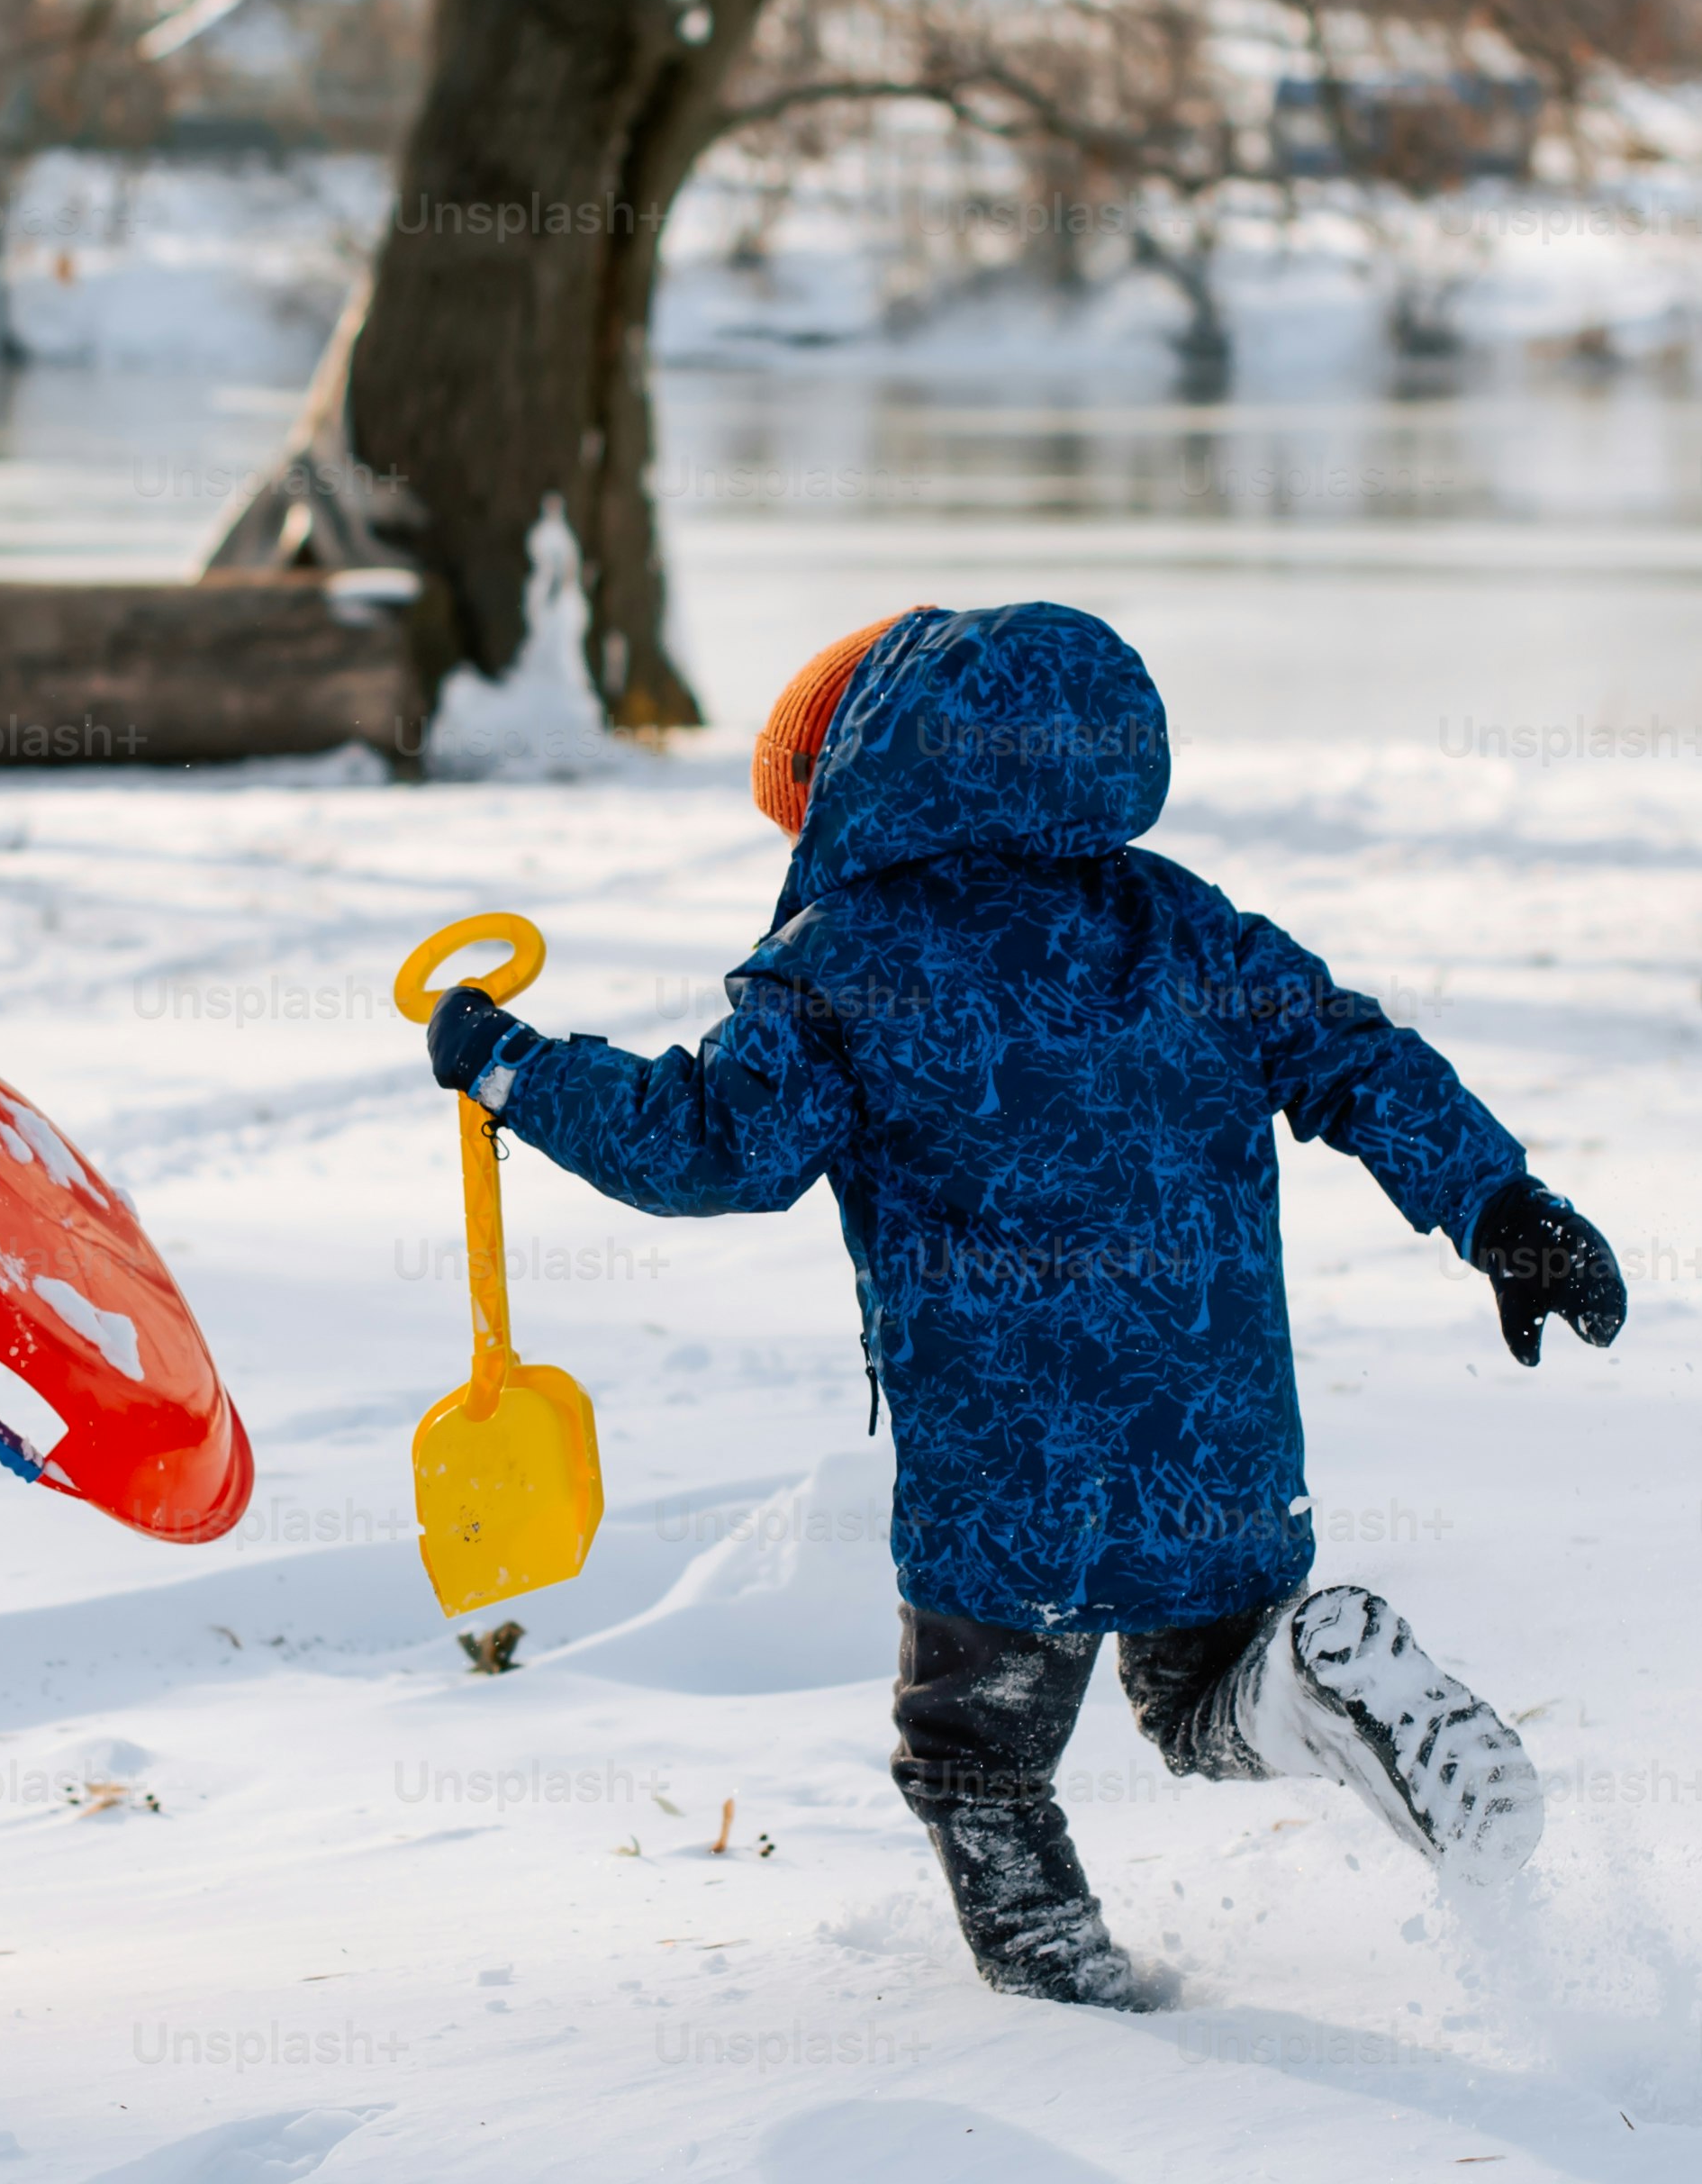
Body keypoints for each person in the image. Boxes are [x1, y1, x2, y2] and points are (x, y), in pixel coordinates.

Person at [414, 603, 1626, 2001]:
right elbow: (1357, 1058)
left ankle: (1070, 2002)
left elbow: (708, 1146)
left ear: (872, 777)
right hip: (1212, 1439)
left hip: (1006, 1482)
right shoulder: (1178, 918)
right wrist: (1500, 1207)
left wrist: (512, 1069)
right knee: (1202, 1702)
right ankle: (1305, 1676)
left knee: (973, 1761)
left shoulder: (844, 962)